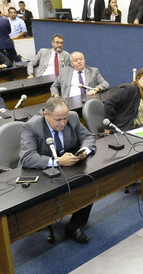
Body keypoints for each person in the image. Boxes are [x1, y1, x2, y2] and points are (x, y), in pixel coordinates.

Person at [19, 96, 96, 243]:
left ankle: (74, 226)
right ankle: (39, 220)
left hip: (66, 168)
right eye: (58, 120)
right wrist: (57, 161)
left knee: (88, 183)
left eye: (64, 119)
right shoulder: (32, 126)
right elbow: (27, 157)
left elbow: (89, 138)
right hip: (40, 171)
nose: (63, 123)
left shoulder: (72, 118)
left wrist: (84, 150)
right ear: (45, 114)